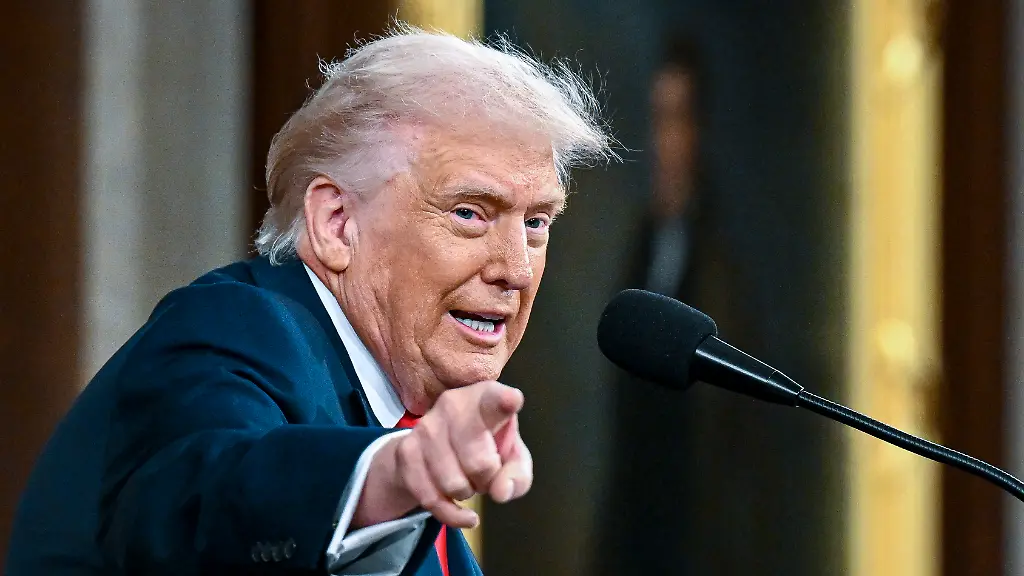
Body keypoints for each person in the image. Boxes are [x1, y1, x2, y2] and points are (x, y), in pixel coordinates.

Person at [6, 25, 614, 576]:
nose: (516, 269)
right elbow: (205, 496)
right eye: (469, 213)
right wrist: (390, 471)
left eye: (537, 223)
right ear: (337, 223)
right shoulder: (240, 326)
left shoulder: (405, 428)